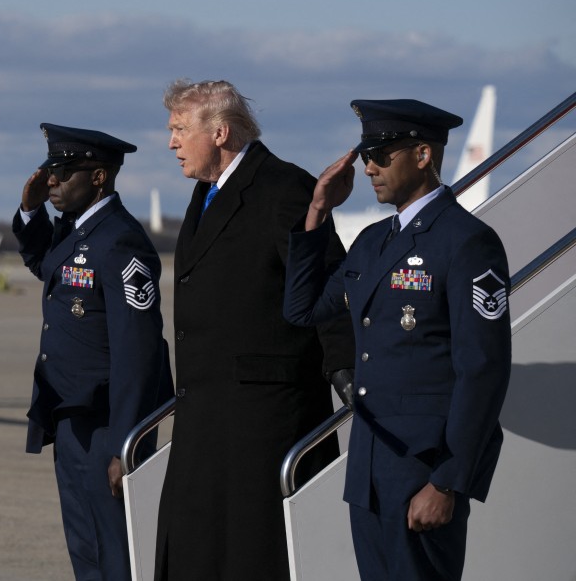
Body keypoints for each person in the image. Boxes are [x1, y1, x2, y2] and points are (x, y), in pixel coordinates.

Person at [283, 98, 512, 580]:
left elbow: (483, 370)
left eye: (382, 154)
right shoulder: (371, 241)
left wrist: (449, 481)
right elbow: (302, 310)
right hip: (369, 466)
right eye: (365, 154)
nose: (368, 167)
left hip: (423, 469)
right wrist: (318, 211)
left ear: (423, 155)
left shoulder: (467, 241)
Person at [154, 79, 355, 581]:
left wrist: (347, 372)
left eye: (180, 130)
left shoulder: (283, 188)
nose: (171, 142)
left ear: (219, 132)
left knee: (252, 558)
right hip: (209, 415)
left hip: (263, 422)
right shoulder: (207, 194)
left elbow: (327, 285)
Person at [14, 123, 174, 581]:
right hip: (71, 416)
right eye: (50, 172)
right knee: (85, 545)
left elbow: (138, 349)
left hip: (108, 422)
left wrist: (127, 443)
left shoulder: (119, 240)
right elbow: (45, 265)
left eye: (64, 173)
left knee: (117, 549)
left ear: (99, 177)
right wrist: (30, 213)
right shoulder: (75, 233)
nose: (53, 183)